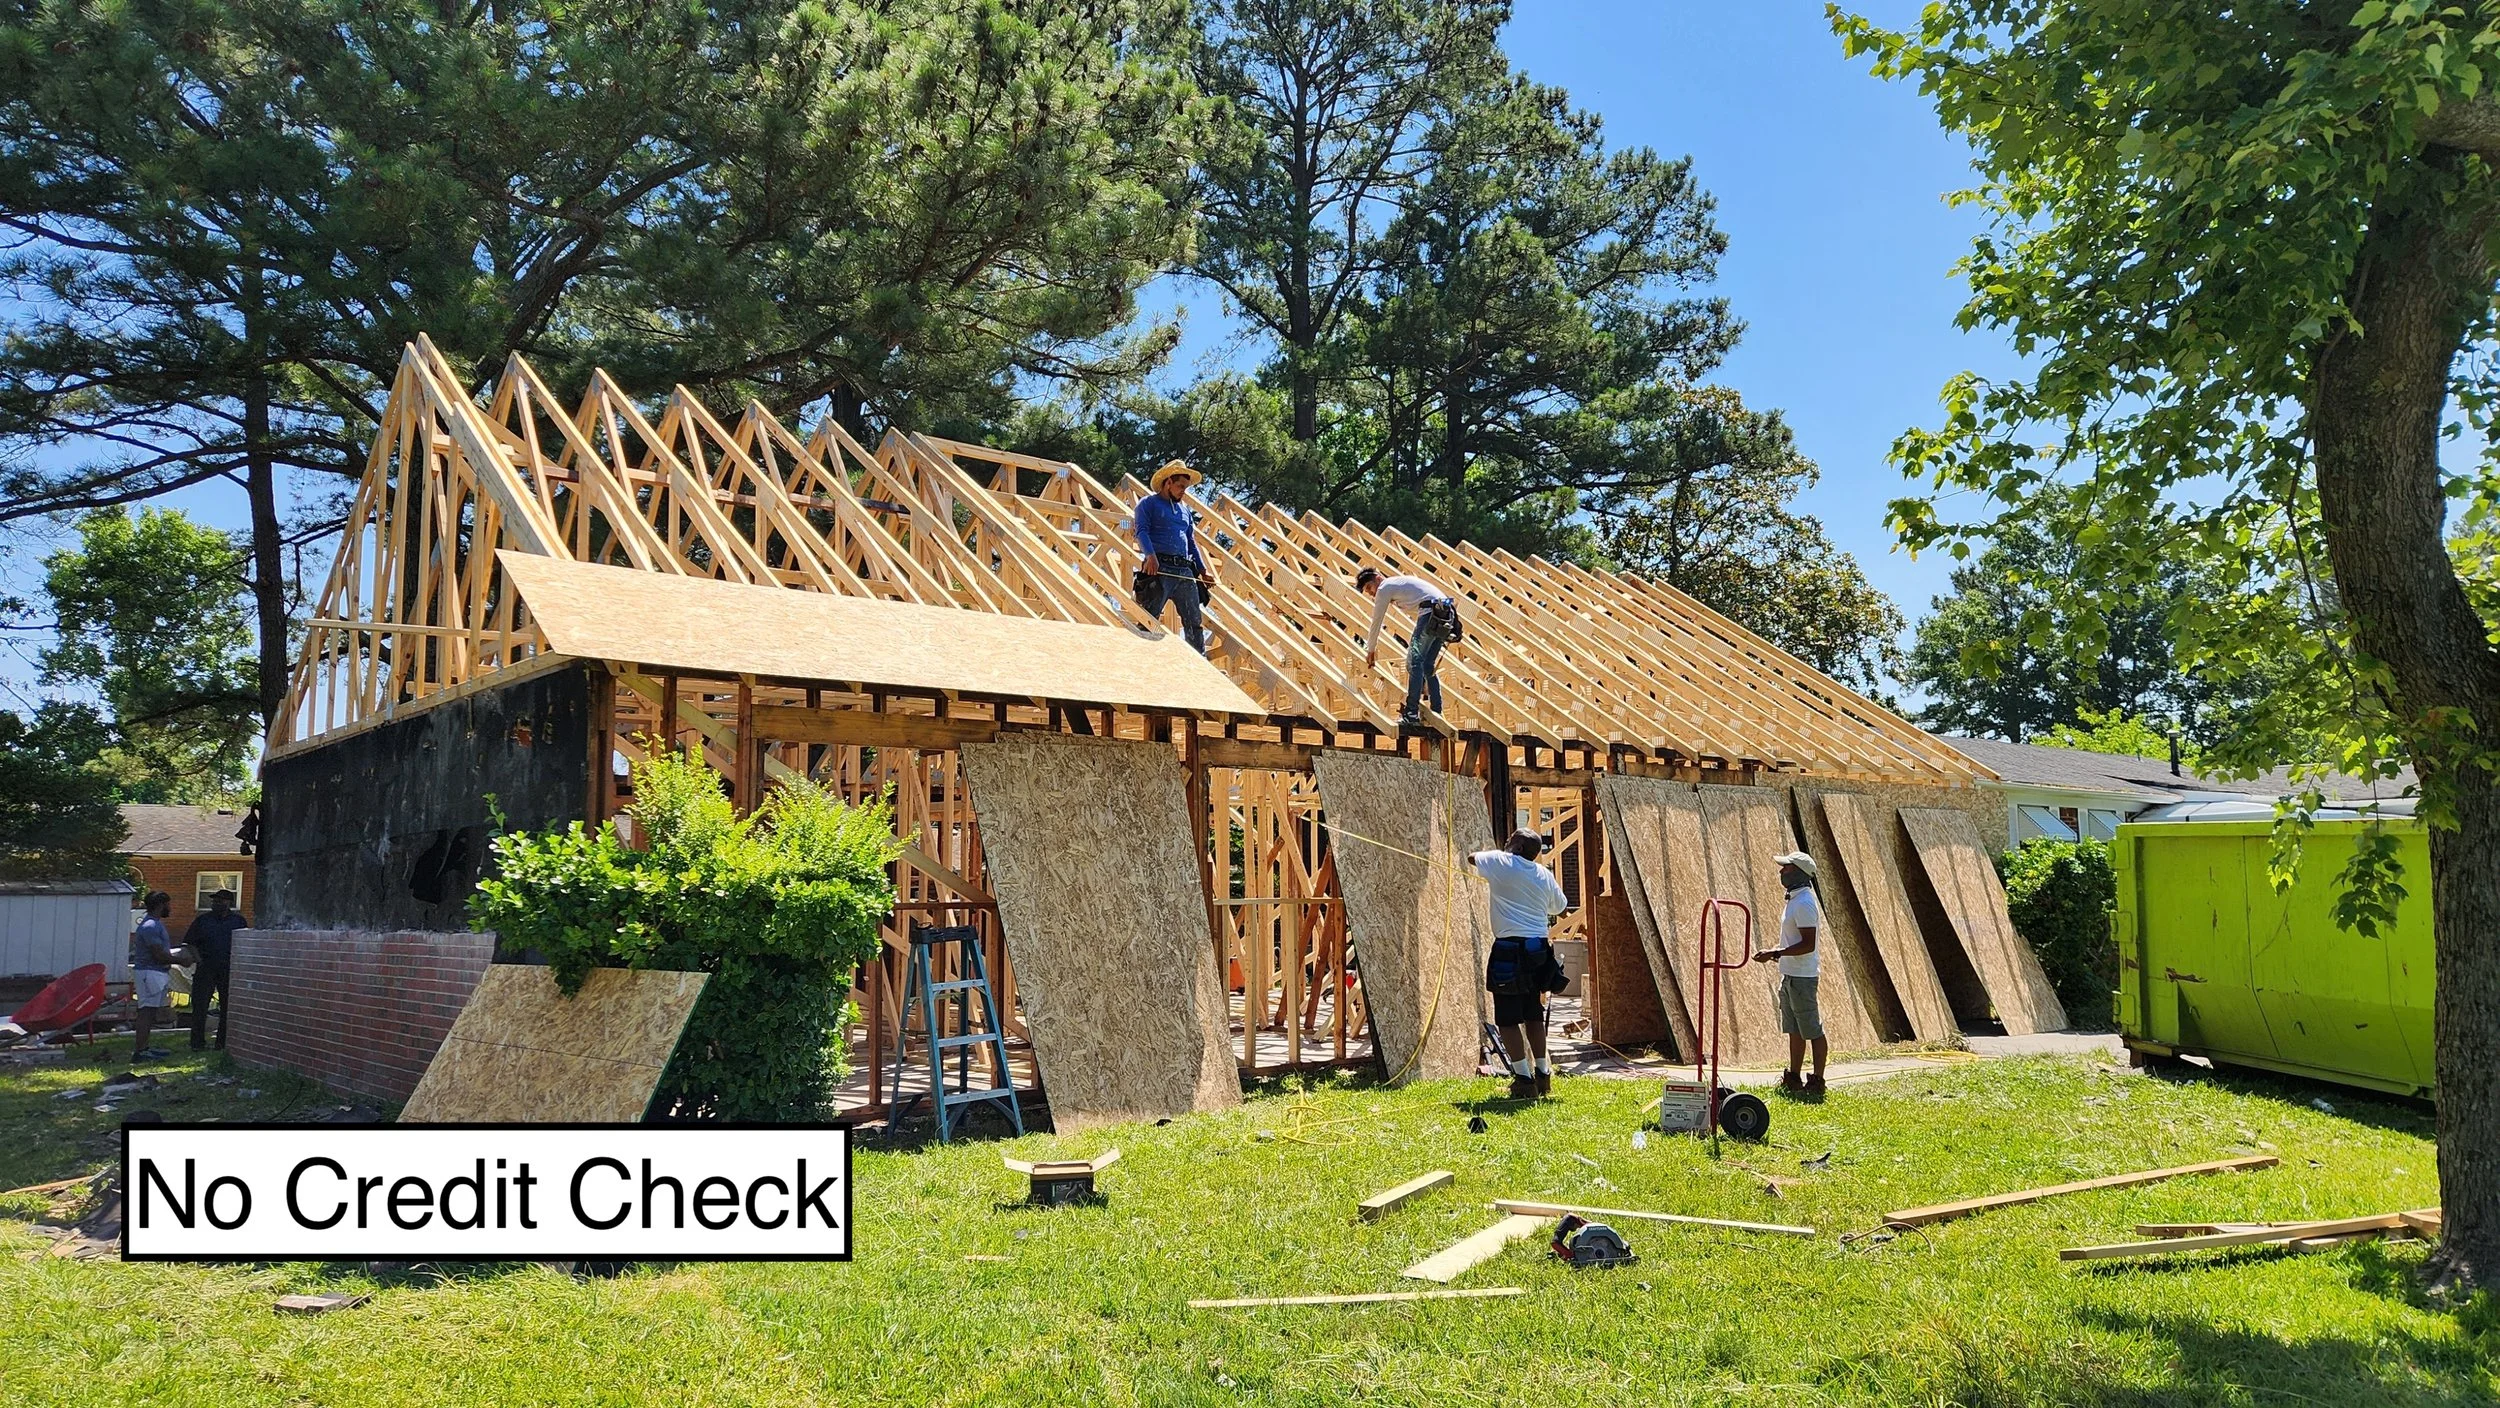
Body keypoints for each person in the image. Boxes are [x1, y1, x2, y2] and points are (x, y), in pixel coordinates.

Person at [1473, 828, 1572, 1099]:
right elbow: (1560, 907)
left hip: (1509, 950)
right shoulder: (1543, 873)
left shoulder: (1501, 861)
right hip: (1538, 950)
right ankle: (1542, 1075)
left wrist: (1504, 861)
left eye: (1510, 840)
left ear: (1515, 847)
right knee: (1532, 1014)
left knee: (1506, 1019)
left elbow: (1472, 858)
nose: (1505, 842)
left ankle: (1523, 1079)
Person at [1751, 850, 1827, 1095]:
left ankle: (1816, 1081)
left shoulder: (1804, 903)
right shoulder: (1794, 901)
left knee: (1812, 1029)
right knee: (1794, 1029)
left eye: (1787, 868)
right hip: (1790, 975)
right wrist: (1778, 954)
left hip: (1803, 977)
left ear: (1801, 874)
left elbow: (1808, 944)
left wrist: (1775, 953)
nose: (1781, 871)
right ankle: (1793, 1077)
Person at [1356, 567, 1458, 729]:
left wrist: (1371, 648)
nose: (1370, 592)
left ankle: (1411, 714)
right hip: (1445, 613)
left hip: (1431, 613)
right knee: (1427, 665)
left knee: (1414, 662)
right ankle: (1437, 711)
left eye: (1369, 587)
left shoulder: (1384, 587)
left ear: (1377, 578)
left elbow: (1377, 620)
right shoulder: (1399, 583)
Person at [1133, 460, 1211, 654]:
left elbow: (1190, 542)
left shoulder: (1185, 511)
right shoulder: (1149, 504)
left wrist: (1203, 570)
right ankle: (1143, 658)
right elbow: (1141, 531)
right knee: (1149, 618)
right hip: (1160, 568)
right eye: (1180, 487)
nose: (1183, 491)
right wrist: (1150, 555)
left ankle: (1198, 662)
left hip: (1184, 571)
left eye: (1185, 488)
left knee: (1194, 621)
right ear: (1168, 482)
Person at [181, 888, 248, 1051]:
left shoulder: (238, 921)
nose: (216, 903)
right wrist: (199, 960)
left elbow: (244, 943)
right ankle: (197, 1044)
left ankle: (222, 1043)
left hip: (228, 969)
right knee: (200, 1006)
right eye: (214, 901)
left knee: (227, 1007)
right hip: (206, 967)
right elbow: (189, 942)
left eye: (220, 900)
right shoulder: (203, 920)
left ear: (229, 902)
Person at [129, 891, 176, 1062]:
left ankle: (145, 1048)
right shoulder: (150, 926)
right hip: (149, 972)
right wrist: (181, 959)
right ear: (161, 905)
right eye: (168, 904)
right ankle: (140, 1052)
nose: (170, 908)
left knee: (150, 1011)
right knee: (146, 1012)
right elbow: (159, 954)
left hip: (154, 972)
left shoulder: (154, 924)